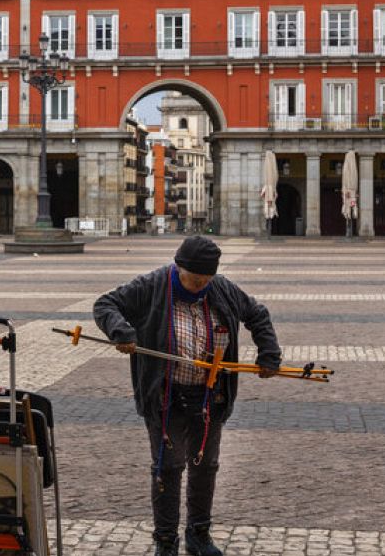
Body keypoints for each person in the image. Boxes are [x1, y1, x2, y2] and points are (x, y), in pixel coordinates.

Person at [94, 236, 281, 556]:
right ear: (179, 269)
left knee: (206, 465)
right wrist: (121, 332)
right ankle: (166, 541)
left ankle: (199, 534)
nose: (200, 287)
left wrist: (268, 354)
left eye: (206, 281)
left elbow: (257, 314)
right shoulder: (152, 285)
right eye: (194, 280)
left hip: (211, 396)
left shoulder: (221, 289)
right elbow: (105, 305)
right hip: (165, 396)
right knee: (168, 466)